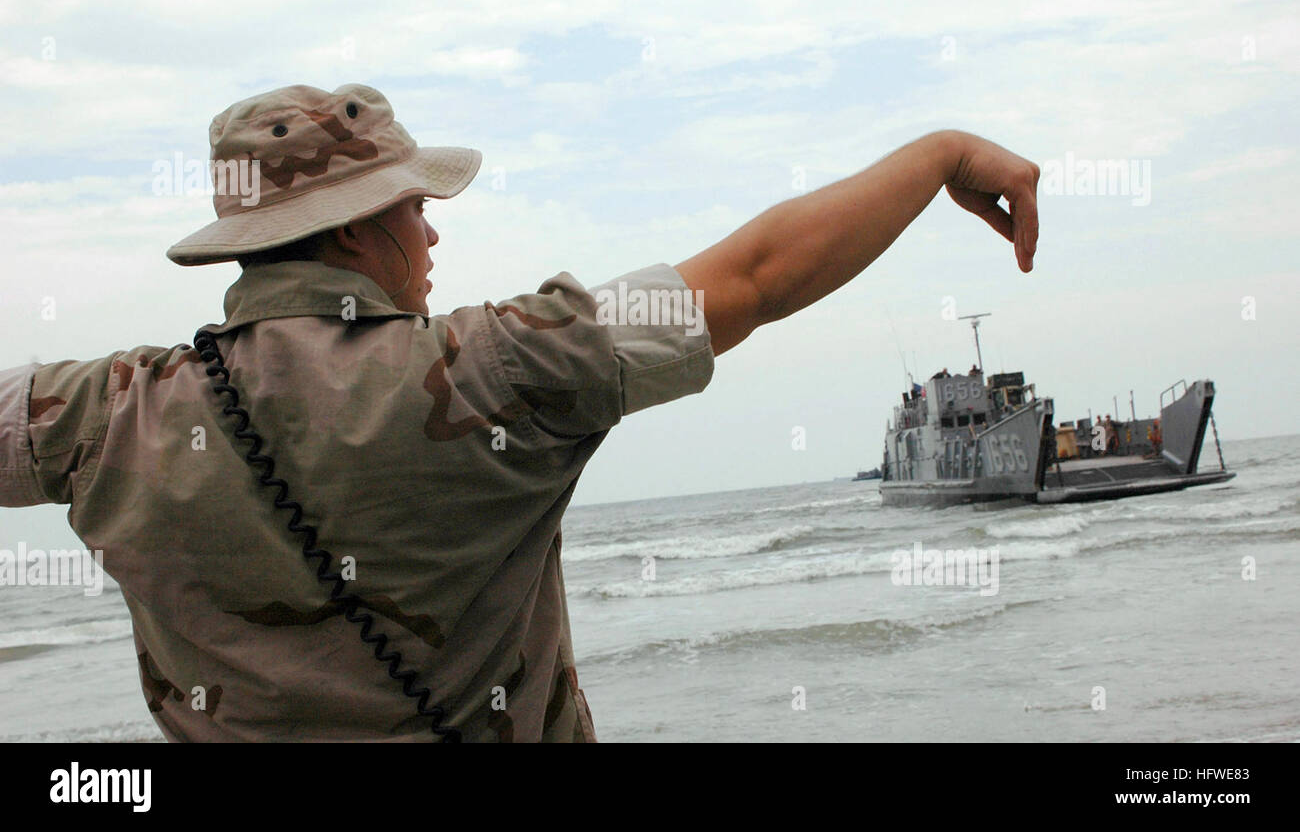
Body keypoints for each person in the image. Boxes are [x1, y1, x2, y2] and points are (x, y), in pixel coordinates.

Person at [0, 83, 1039, 742]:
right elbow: (756, 276)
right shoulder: (500, 365)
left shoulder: (97, 411)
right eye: (416, 207)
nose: (433, 234)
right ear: (358, 229)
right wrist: (941, 153)